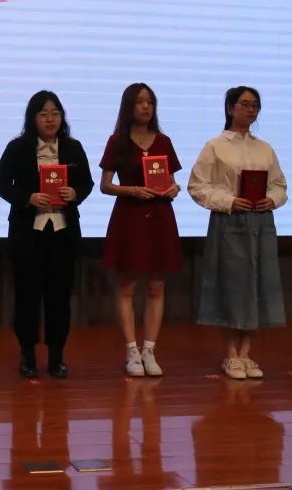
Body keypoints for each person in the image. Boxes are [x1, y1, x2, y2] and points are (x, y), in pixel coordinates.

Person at [0, 90, 94, 379]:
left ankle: (56, 356)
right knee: (27, 295)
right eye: (43, 114)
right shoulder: (17, 147)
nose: (50, 119)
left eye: (55, 113)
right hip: (29, 232)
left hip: (62, 232)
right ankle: (27, 354)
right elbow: (1, 184)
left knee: (59, 297)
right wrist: (28, 198)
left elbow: (86, 183)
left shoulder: (73, 147)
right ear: (33, 118)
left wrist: (75, 193)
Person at [188, 86, 287, 380]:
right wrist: (229, 201)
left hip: (261, 222)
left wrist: (272, 199)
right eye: (245, 104)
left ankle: (246, 353)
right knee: (232, 286)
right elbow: (197, 186)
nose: (251, 109)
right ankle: (231, 354)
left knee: (257, 284)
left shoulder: (265, 148)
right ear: (230, 108)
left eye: (255, 105)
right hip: (229, 222)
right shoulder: (215, 146)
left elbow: (279, 185)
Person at [99, 83, 182, 377]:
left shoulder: (164, 141)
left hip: (160, 216)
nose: (146, 107)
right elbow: (105, 185)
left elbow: (172, 182)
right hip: (130, 216)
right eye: (139, 102)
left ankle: (150, 351)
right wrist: (131, 190)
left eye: (150, 102)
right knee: (127, 286)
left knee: (157, 285)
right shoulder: (117, 141)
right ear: (128, 106)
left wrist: (173, 189)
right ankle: (131, 351)